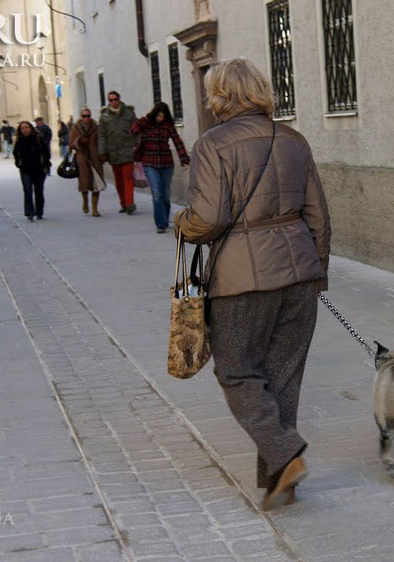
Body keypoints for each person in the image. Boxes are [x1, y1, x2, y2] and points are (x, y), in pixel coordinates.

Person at [173, 58, 331, 510]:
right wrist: (316, 272)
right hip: (299, 271)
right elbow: (319, 215)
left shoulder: (212, 143)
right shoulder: (294, 140)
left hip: (241, 278)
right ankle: (282, 479)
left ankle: (283, 454)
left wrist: (181, 222)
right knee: (284, 376)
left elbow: (209, 218)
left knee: (238, 371)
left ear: (219, 95)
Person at [131, 102, 190, 233]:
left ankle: (164, 218)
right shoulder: (146, 124)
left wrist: (184, 159)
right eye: (158, 115)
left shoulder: (168, 126)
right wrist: (144, 119)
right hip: (149, 163)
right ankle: (160, 224)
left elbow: (177, 142)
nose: (160, 118)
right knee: (157, 193)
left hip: (166, 163)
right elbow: (133, 130)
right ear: (154, 114)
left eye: (163, 116)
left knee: (166, 193)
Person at [97, 91, 139, 214]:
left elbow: (137, 129)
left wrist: (135, 144)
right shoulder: (104, 116)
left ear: (119, 99)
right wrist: (101, 151)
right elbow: (101, 135)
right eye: (111, 100)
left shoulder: (129, 113)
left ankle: (130, 203)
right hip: (113, 151)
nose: (113, 102)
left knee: (128, 177)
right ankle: (123, 203)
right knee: (119, 180)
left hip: (127, 151)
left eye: (115, 99)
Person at [68, 107, 104, 216]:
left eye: (88, 116)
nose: (86, 118)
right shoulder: (75, 128)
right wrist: (79, 141)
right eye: (84, 116)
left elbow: (101, 141)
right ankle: (85, 202)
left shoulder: (96, 127)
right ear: (81, 117)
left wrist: (102, 154)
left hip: (95, 158)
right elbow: (71, 144)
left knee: (97, 182)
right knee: (84, 182)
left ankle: (95, 208)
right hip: (82, 158)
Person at [12, 121, 51, 221]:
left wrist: (45, 163)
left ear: (31, 128)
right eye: (23, 128)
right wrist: (18, 164)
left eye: (27, 127)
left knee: (39, 191)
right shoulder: (19, 140)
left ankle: (39, 212)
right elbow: (15, 153)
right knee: (27, 190)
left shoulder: (38, 139)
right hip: (25, 170)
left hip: (39, 169)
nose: (25, 130)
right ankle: (30, 212)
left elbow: (46, 152)